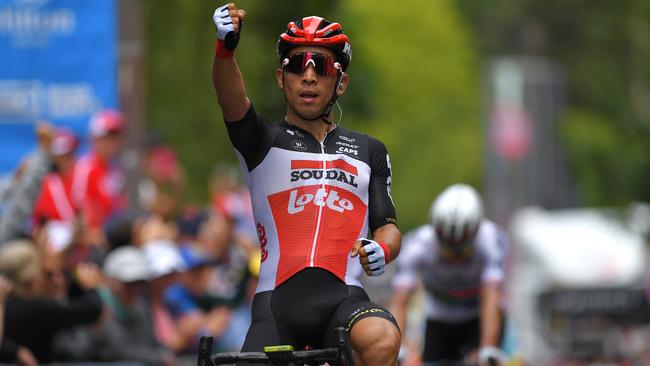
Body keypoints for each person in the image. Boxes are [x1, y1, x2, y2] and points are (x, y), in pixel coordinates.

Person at [211, 4, 401, 365]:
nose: (309, 77)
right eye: (297, 65)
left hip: (344, 299)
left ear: (340, 82)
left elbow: (388, 228)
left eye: (323, 67)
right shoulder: (262, 140)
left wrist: (384, 251)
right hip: (277, 304)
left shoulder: (369, 150)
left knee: (382, 339)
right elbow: (230, 98)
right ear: (282, 80)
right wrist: (225, 49)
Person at [389, 184, 509, 366]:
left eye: (462, 251)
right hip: (439, 317)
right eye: (447, 249)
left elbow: (491, 297)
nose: (454, 257)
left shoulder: (491, 240)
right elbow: (400, 300)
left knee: (487, 359)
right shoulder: (416, 245)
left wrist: (488, 346)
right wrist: (397, 347)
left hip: (480, 319)